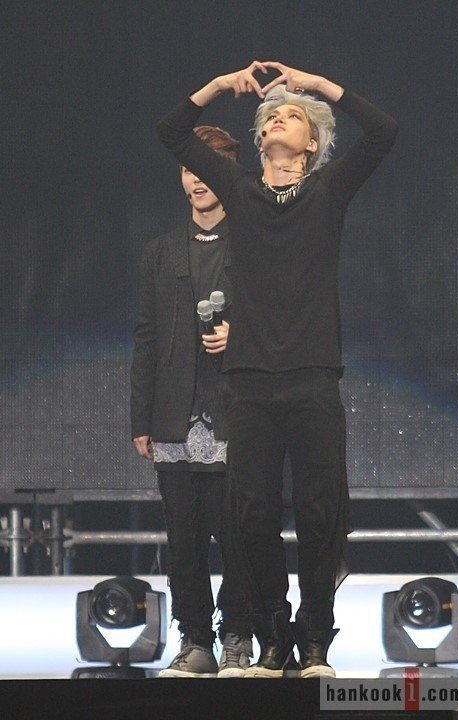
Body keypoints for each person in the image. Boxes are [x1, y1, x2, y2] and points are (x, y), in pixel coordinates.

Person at [156, 60, 398, 679]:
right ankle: (273, 632)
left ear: (311, 142)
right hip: (250, 383)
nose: (276, 122)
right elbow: (173, 132)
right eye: (269, 118)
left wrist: (317, 85)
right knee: (252, 516)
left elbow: (383, 132)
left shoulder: (327, 190)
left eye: (291, 116)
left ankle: (315, 640)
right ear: (260, 141)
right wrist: (218, 86)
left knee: (319, 515)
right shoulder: (239, 191)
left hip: (313, 377)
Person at [130, 124, 253, 677]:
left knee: (239, 535)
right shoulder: (159, 252)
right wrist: (142, 418)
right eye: (188, 169)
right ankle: (195, 639)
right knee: (183, 541)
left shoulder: (253, 244)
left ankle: (238, 637)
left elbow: (281, 319)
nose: (197, 180)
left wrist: (240, 336)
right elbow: (147, 338)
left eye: (208, 168)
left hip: (236, 413)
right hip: (174, 417)